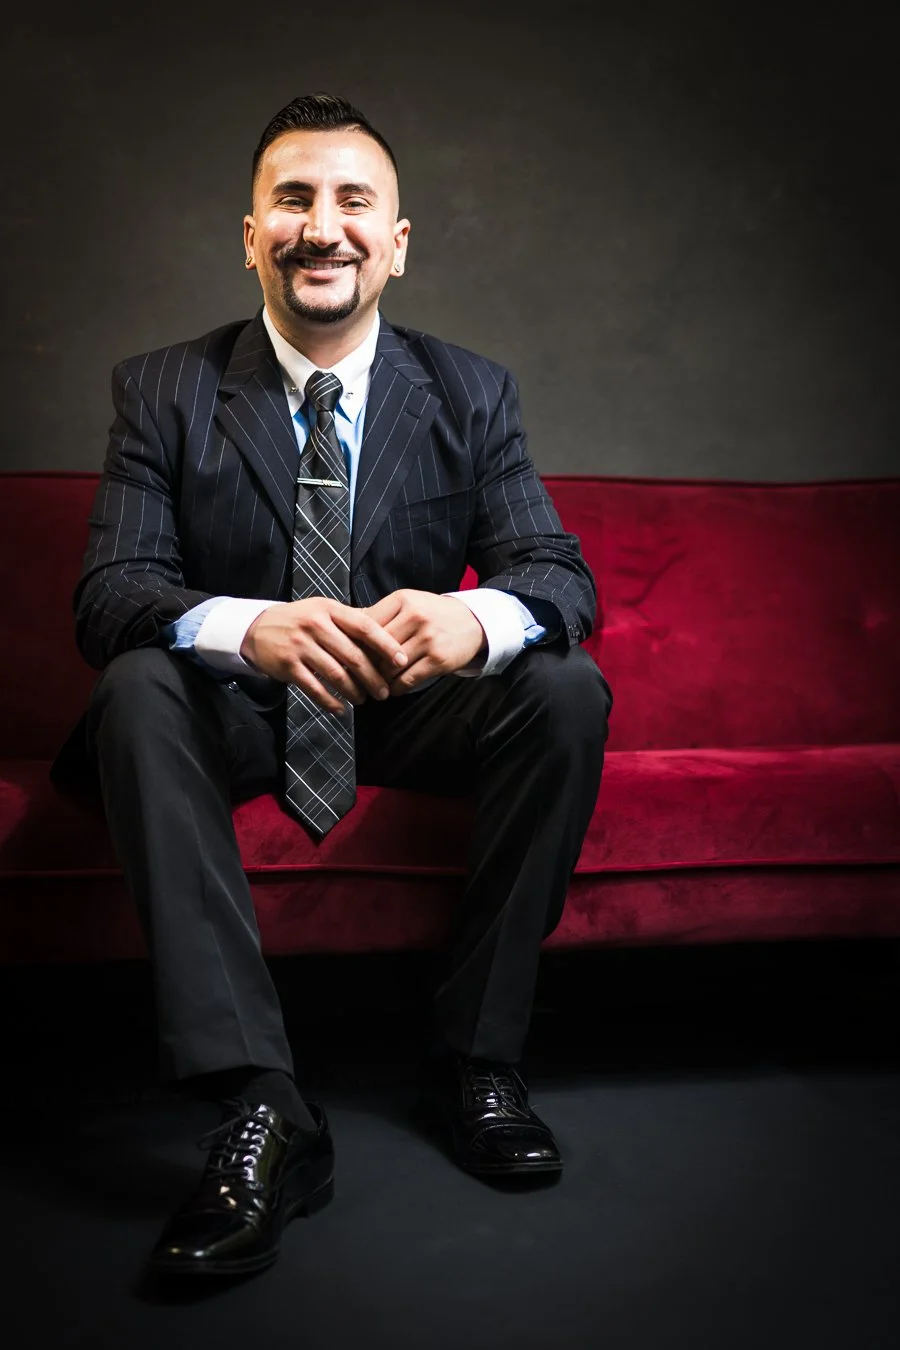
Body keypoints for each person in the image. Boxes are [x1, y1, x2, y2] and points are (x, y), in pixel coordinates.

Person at [53, 92, 612, 1278]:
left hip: (402, 710)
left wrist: (472, 618)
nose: (323, 226)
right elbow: (110, 595)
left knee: (565, 689)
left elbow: (557, 575)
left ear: (395, 242)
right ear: (249, 235)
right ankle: (261, 1103)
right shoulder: (162, 389)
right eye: (292, 200)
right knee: (138, 686)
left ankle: (477, 1059)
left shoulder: (471, 391)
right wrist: (248, 630)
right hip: (232, 718)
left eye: (354, 201)